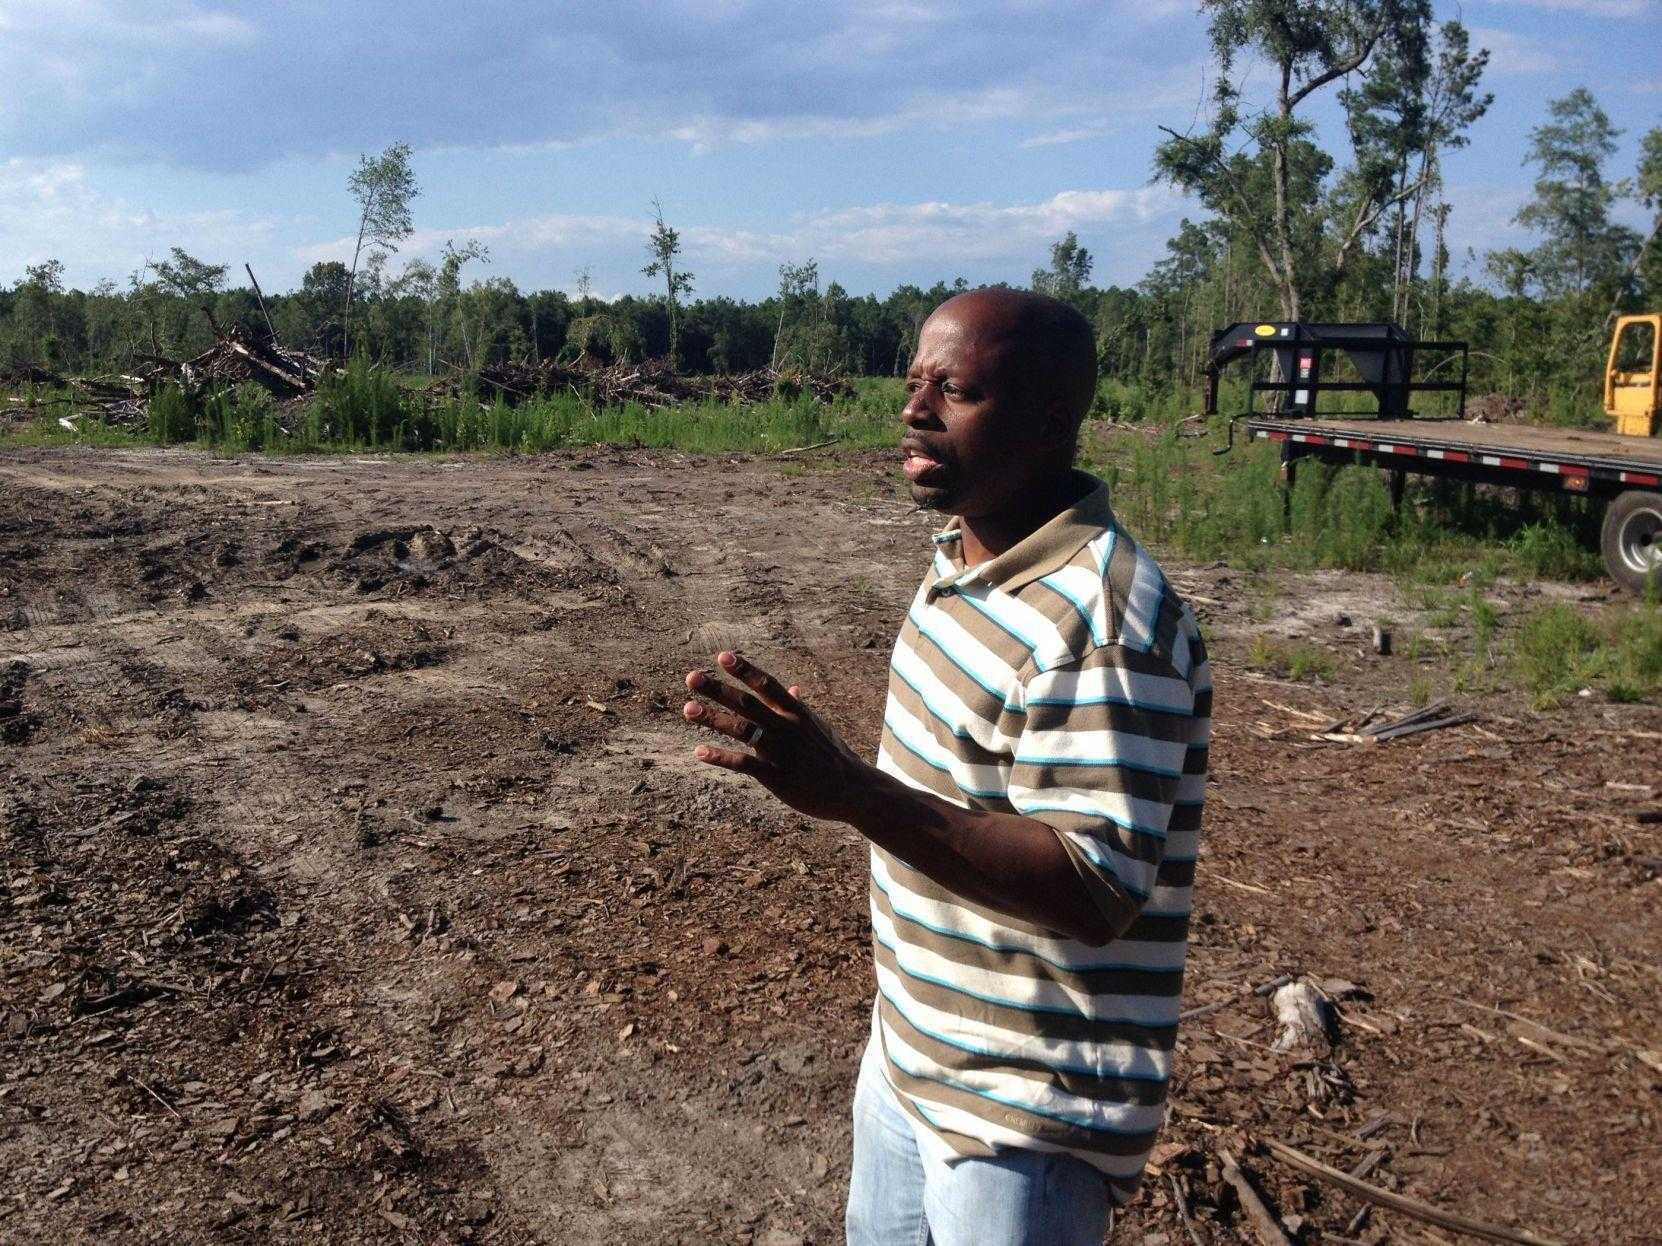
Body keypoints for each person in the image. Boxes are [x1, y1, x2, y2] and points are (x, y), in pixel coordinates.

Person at [682, 289, 1211, 1246]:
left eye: (954, 390)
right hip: (910, 1053)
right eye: (914, 382)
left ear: (1051, 418)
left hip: (1022, 1120)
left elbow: (1093, 888)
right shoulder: (967, 556)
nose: (914, 410)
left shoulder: (1103, 622)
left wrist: (848, 793)